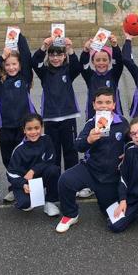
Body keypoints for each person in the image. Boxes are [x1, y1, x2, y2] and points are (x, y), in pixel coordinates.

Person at [55, 87, 130, 233]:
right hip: (90, 169)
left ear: (114, 105)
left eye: (108, 102)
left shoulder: (122, 122)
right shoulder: (91, 123)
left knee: (112, 216)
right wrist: (89, 139)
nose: (104, 106)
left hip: (110, 176)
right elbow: (78, 145)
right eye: (100, 102)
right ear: (94, 105)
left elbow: (132, 142)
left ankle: (105, 199)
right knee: (65, 180)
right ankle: (71, 214)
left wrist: (127, 152)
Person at [0, 33, 34, 202]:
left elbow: (26, 56)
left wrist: (19, 37)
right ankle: (14, 186)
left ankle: (31, 188)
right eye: (7, 64)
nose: (11, 67)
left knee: (26, 158)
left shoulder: (25, 78)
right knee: (8, 159)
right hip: (6, 127)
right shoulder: (0, 80)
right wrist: (2, 56)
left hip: (24, 128)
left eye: (14, 64)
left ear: (20, 65)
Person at [32, 36, 81, 170]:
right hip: (50, 118)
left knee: (71, 151)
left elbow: (77, 66)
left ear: (64, 56)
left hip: (68, 117)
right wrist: (44, 46)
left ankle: (71, 183)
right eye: (52, 55)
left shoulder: (68, 71)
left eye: (59, 55)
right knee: (53, 153)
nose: (55, 58)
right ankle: (54, 184)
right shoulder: (44, 73)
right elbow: (35, 62)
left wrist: (70, 48)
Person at [7, 113, 61, 216]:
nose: (33, 132)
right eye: (29, 129)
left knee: (53, 169)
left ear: (42, 127)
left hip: (40, 177)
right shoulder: (19, 150)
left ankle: (50, 202)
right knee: (25, 204)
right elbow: (11, 173)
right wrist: (23, 184)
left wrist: (33, 170)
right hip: (26, 183)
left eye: (37, 128)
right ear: (24, 130)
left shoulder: (47, 140)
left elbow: (51, 159)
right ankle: (26, 197)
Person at [80, 34, 123, 119]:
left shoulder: (114, 75)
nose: (101, 63)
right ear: (92, 61)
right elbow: (83, 65)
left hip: (113, 116)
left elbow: (118, 62)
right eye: (98, 60)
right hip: (94, 117)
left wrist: (115, 46)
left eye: (104, 60)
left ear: (109, 61)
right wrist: (85, 51)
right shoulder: (90, 76)